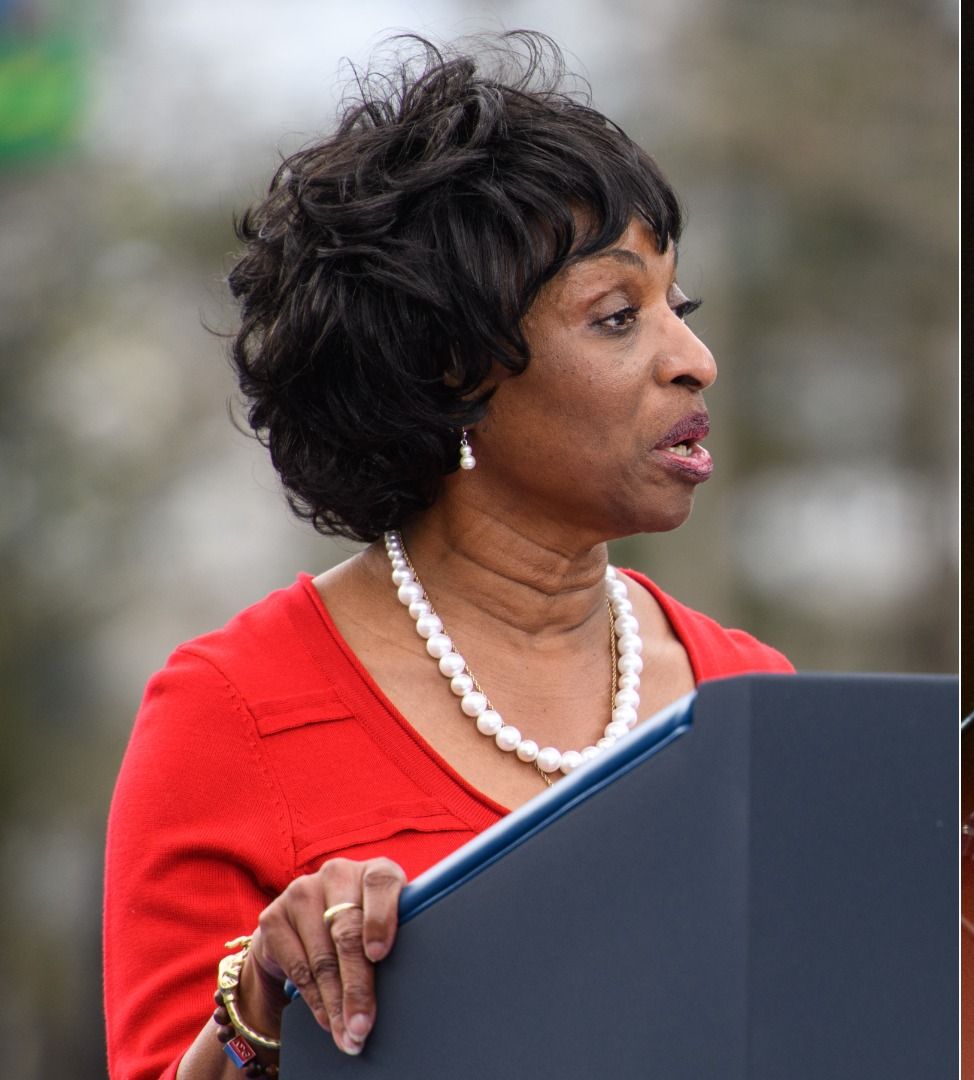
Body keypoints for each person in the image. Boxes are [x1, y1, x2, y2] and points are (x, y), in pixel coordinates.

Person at [103, 33, 792, 1080]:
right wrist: (262, 1006)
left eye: (678, 309)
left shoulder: (756, 697)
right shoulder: (232, 716)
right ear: (453, 373)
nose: (694, 360)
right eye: (619, 317)